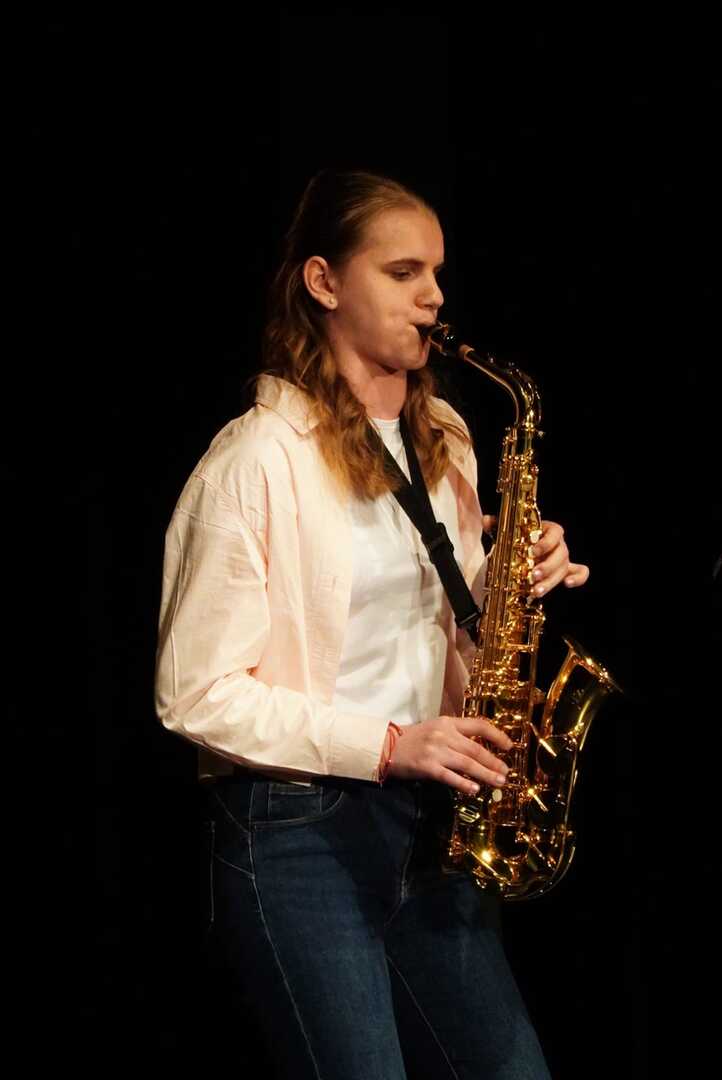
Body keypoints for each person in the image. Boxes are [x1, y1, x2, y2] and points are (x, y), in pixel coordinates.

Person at [154, 169, 590, 1079]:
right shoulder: (255, 461)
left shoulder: (446, 435)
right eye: (402, 273)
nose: (434, 297)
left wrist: (515, 577)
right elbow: (194, 695)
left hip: (433, 821)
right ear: (324, 283)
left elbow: (446, 621)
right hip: (299, 834)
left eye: (436, 272)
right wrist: (389, 745)